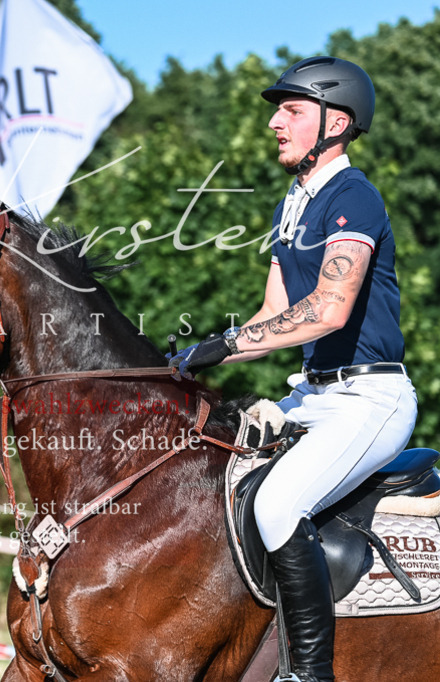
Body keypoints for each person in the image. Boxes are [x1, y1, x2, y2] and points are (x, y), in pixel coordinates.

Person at [168, 57, 416, 682]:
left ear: (337, 123)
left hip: (369, 399)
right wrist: (200, 353)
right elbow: (277, 311)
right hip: (311, 394)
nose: (275, 122)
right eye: (278, 111)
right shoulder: (294, 202)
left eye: (292, 110)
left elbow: (328, 311)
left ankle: (308, 673)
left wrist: (224, 347)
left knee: (277, 507)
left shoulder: (354, 196)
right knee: (213, 481)